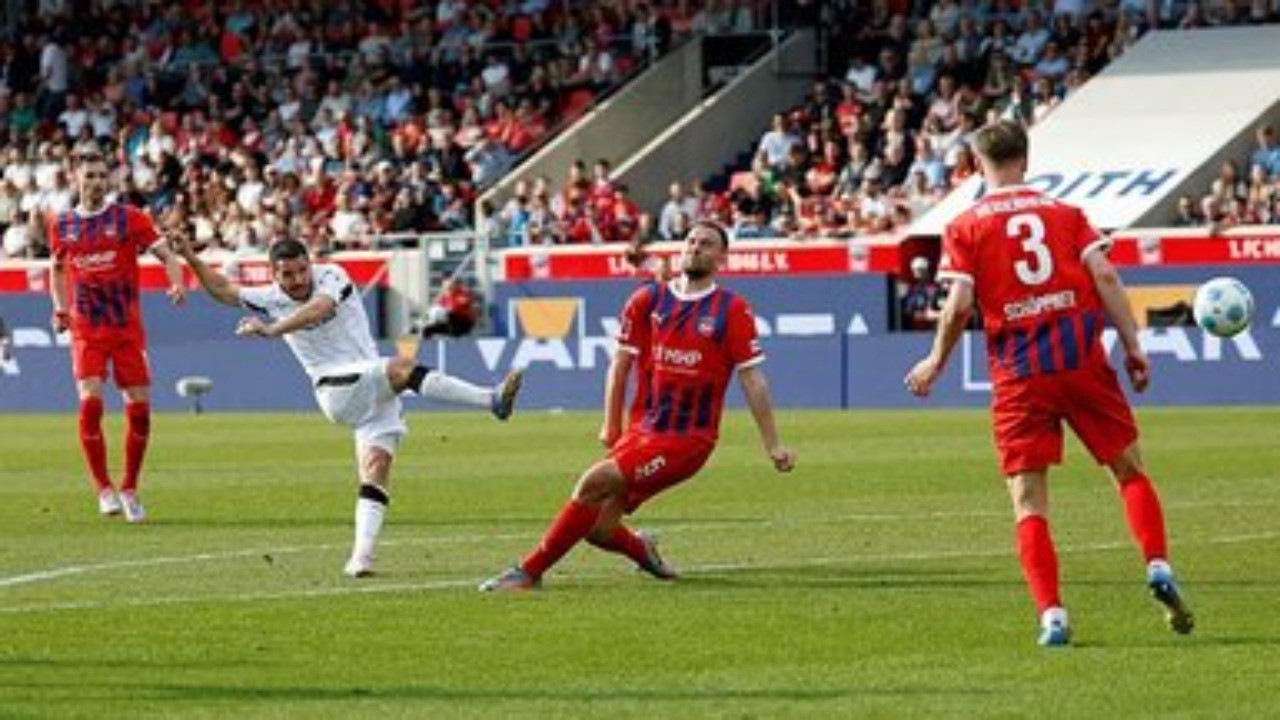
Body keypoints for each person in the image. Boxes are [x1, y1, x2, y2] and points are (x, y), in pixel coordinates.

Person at [903, 120, 1194, 647]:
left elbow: (960, 304)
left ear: (976, 165)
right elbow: (1105, 276)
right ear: (1026, 160)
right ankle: (1157, 563)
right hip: (1081, 361)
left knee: (1028, 500)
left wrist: (935, 360)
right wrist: (1133, 346)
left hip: (1020, 376)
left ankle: (1053, 616)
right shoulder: (1066, 213)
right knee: (1128, 470)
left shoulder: (965, 226)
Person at [171, 235, 524, 578]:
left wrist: (273, 329)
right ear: (274, 275)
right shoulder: (270, 298)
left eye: (301, 270)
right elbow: (222, 289)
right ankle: (490, 400)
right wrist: (189, 256)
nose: (298, 280)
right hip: (336, 387)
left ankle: (360, 557)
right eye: (287, 275)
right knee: (402, 367)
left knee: (376, 468)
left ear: (310, 264)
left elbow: (319, 308)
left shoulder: (332, 276)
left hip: (373, 387)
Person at [480, 221, 796, 592]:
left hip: (687, 440)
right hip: (642, 430)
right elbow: (620, 363)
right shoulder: (648, 300)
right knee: (598, 529)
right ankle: (642, 549)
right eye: (691, 240)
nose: (695, 247)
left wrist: (773, 444)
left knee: (592, 483)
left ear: (722, 258)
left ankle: (528, 572)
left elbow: (753, 379)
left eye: (707, 244)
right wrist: (611, 423)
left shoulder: (733, 310)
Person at [47, 149, 187, 522]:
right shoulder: (62, 224)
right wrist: (60, 308)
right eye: (89, 175)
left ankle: (129, 488)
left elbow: (167, 254)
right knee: (91, 403)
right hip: (87, 328)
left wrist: (176, 282)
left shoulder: (129, 218)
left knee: (140, 412)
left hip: (126, 328)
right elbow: (57, 269)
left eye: (100, 175)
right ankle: (103, 489)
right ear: (76, 177)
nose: (95, 182)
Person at [900, 255, 943, 331]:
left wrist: (935, 314)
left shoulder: (937, 288)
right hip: (917, 330)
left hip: (935, 328)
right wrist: (922, 315)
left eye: (919, 270)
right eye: (914, 270)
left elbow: (943, 308)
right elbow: (908, 311)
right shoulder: (913, 290)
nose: (916, 273)